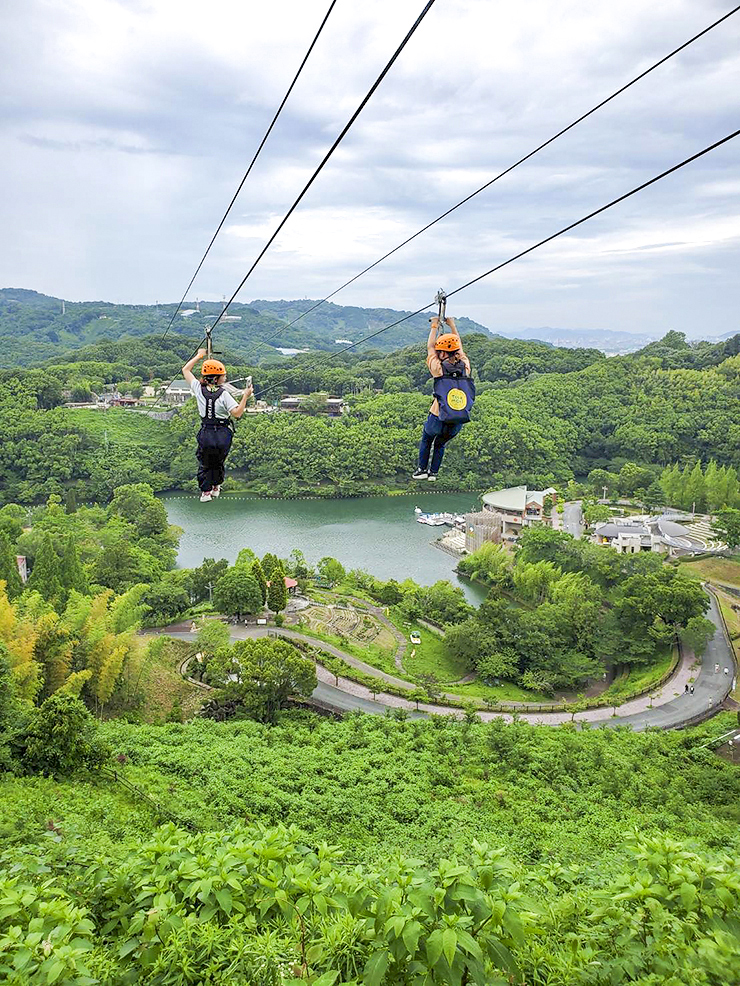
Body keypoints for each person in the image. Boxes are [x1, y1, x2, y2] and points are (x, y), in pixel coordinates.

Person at [181, 349, 252, 502]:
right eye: (223, 376)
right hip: (222, 434)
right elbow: (237, 413)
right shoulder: (224, 394)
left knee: (205, 461)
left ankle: (206, 492)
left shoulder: (198, 389)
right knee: (218, 460)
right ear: (216, 378)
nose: (225, 378)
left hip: (206, 432)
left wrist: (199, 356)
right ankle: (216, 486)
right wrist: (245, 396)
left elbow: (185, 370)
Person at [413, 315, 475, 481]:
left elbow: (429, 348)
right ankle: (433, 473)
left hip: (438, 416)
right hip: (457, 418)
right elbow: (459, 348)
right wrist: (452, 325)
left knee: (427, 439)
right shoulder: (465, 367)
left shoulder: (438, 369)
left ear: (442, 353)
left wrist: (434, 326)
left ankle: (421, 469)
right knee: (440, 444)